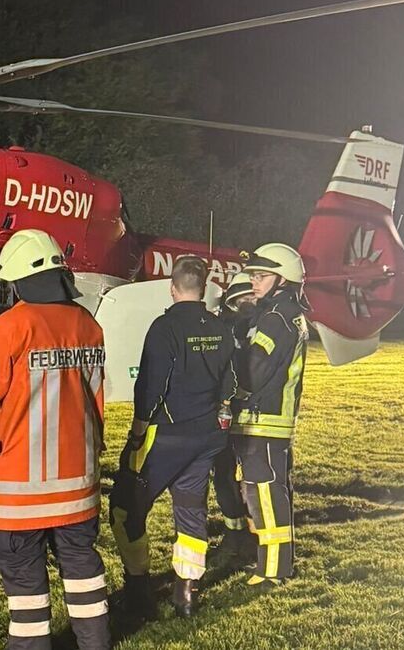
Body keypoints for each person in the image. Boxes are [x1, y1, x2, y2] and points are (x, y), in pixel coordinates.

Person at [0, 229, 110, 650]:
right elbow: (96, 397)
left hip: (17, 487)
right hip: (77, 485)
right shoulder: (88, 324)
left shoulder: (8, 328)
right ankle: (95, 643)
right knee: (83, 568)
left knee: (25, 579)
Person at [109, 256, 236, 618]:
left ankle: (138, 591)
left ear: (172, 287)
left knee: (125, 508)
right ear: (204, 287)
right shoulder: (220, 327)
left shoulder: (163, 327)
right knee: (191, 511)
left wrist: (137, 429)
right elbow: (230, 382)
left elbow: (151, 384)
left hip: (164, 436)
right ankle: (187, 594)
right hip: (206, 437)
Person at [233, 243, 309, 589]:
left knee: (265, 493)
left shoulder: (275, 319)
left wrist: (228, 368)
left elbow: (252, 371)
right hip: (272, 421)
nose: (254, 282)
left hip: (264, 420)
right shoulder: (283, 313)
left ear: (283, 280)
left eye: (261, 276)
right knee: (271, 491)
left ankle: (273, 571)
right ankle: (273, 562)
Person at [209, 272, 259, 567]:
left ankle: (253, 538)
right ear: (232, 299)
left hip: (253, 415)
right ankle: (235, 533)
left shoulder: (265, 326)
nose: (250, 302)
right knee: (224, 475)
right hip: (228, 413)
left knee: (252, 479)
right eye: (245, 298)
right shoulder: (225, 328)